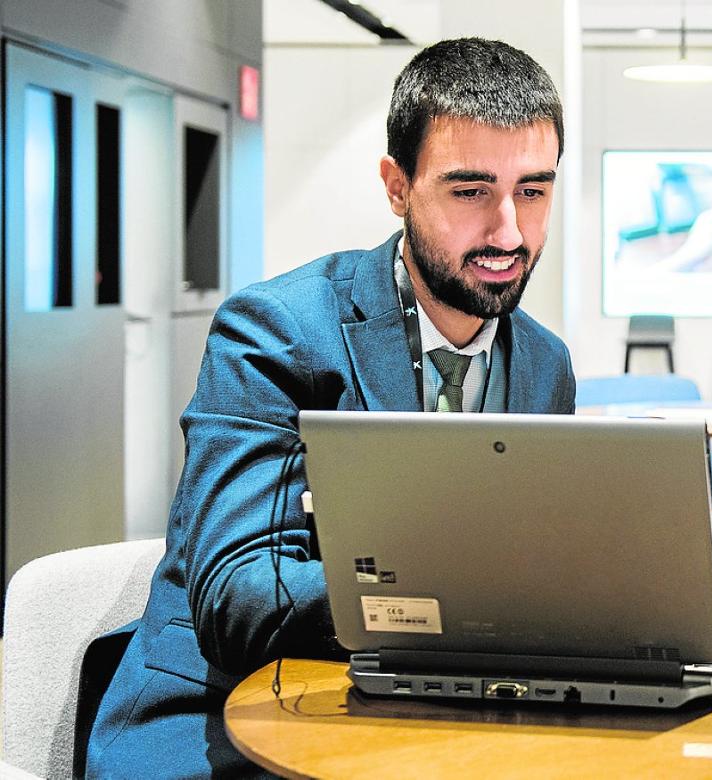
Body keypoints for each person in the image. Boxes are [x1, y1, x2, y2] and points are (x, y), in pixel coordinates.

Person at [83, 38, 575, 777]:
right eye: (471, 192)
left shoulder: (544, 364)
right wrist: (463, 592)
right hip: (227, 723)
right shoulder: (277, 332)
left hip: (435, 724)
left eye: (533, 192)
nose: (508, 232)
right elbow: (237, 599)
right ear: (397, 186)